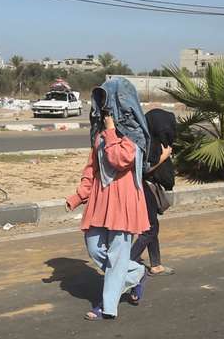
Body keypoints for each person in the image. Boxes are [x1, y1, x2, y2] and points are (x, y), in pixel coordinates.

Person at [66, 78, 150, 320]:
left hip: (123, 202)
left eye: (107, 104)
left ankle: (106, 306)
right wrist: (79, 196)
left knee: (117, 255)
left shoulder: (135, 134)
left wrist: (111, 129)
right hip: (100, 202)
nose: (103, 110)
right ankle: (135, 273)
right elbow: (92, 167)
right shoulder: (101, 134)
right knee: (94, 246)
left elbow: (119, 159)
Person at [132, 108, 177, 277]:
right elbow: (144, 168)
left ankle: (156, 264)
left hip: (147, 186)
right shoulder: (145, 143)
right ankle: (126, 263)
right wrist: (163, 157)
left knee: (152, 225)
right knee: (149, 229)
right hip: (143, 186)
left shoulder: (151, 140)